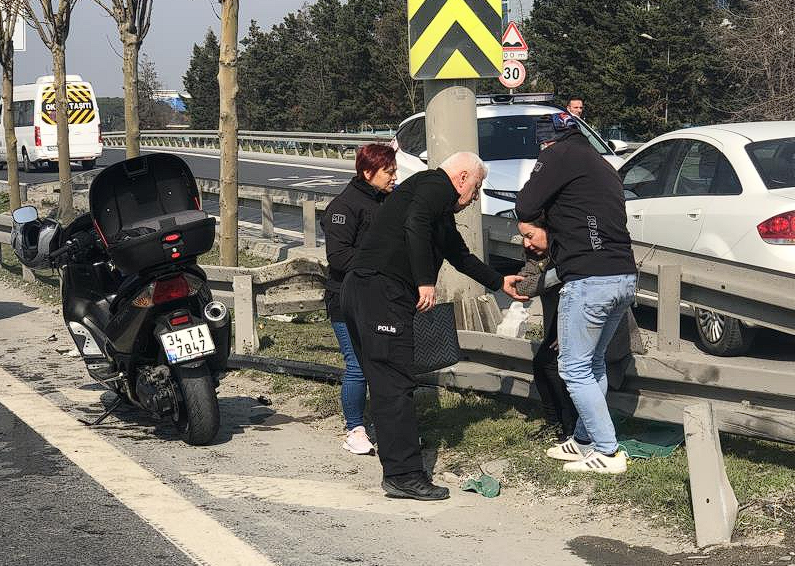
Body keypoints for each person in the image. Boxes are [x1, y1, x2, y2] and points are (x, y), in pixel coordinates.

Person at [341, 152, 528, 500]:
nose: (475, 196)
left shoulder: (436, 207)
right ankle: (403, 475)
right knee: (394, 383)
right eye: (476, 186)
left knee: (391, 380)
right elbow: (415, 223)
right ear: (461, 177)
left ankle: (401, 467)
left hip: (370, 290)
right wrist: (426, 280)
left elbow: (459, 255)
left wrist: (499, 281)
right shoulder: (433, 185)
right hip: (379, 290)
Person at [515, 112, 637, 474]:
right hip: (623, 276)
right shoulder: (601, 165)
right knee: (593, 363)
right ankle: (584, 440)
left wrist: (539, 220)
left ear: (547, 141)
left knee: (573, 368)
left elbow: (525, 205)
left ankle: (607, 450)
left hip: (588, 278)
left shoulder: (556, 155)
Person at [320, 144, 397, 456]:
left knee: (381, 363)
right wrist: (380, 260)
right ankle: (355, 429)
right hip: (345, 300)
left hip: (379, 297)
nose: (394, 177)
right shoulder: (344, 207)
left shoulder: (388, 200)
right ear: (368, 173)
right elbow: (338, 257)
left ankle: (384, 422)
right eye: (389, 172)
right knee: (357, 366)